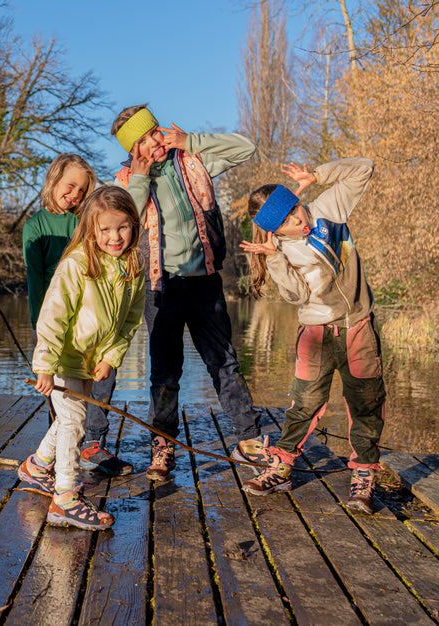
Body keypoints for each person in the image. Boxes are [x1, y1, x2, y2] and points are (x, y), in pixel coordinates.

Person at [110, 104, 266, 481]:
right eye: (142, 141)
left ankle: (248, 438)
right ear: (132, 150)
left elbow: (246, 148)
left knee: (223, 360)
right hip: (160, 286)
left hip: (204, 282)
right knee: (165, 372)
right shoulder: (125, 180)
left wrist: (191, 139)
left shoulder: (191, 161)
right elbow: (125, 217)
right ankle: (163, 446)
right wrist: (142, 176)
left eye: (154, 133)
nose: (153, 143)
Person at [240, 158, 386, 514]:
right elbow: (294, 296)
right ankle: (283, 466)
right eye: (287, 222)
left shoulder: (327, 209)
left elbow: (363, 168)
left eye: (296, 210)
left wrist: (319, 175)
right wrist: (275, 260)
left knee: (366, 402)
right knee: (303, 404)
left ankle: (364, 474)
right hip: (316, 332)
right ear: (276, 231)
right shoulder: (284, 249)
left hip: (357, 327)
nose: (299, 221)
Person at [18, 186, 146, 530]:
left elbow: (131, 319)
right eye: (105, 229)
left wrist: (111, 357)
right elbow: (53, 317)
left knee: (68, 418)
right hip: (62, 358)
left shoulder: (132, 266)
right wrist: (44, 365)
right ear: (91, 229)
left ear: (134, 224)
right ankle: (65, 499)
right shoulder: (76, 264)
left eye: (122, 227)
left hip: (92, 361)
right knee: (75, 423)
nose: (115, 236)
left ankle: (37, 464)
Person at [22, 154, 132, 476]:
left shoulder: (86, 220)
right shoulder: (35, 226)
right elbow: (36, 280)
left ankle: (92, 447)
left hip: (92, 325)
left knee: (100, 386)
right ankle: (57, 461)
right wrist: (40, 333)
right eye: (70, 186)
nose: (75, 196)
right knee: (63, 399)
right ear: (54, 180)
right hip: (54, 325)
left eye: (83, 191)